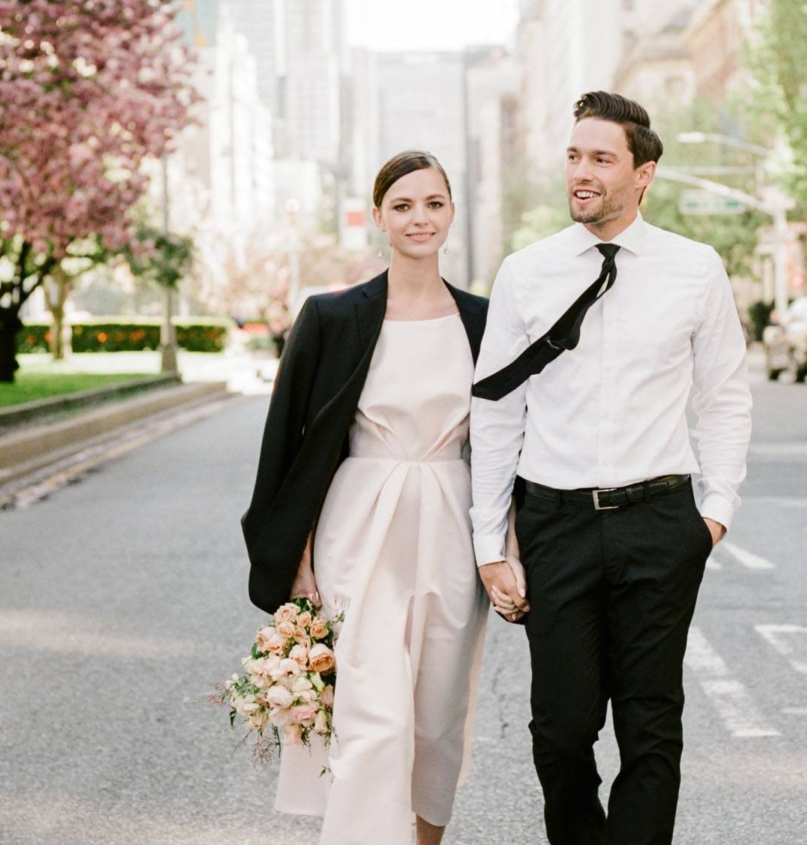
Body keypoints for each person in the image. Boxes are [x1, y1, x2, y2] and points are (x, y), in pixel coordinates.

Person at [470, 91, 753, 845]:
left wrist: (713, 514)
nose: (582, 173)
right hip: (555, 523)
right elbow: (495, 410)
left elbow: (725, 397)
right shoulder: (526, 272)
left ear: (644, 173)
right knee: (561, 732)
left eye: (601, 158)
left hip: (661, 521)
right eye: (573, 156)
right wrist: (490, 542)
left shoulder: (695, 269)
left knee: (650, 725)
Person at [242, 151, 497, 845]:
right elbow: (285, 445)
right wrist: (294, 559)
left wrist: (507, 547)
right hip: (359, 524)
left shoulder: (486, 318)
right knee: (372, 714)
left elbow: (508, 442)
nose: (420, 217)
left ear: (451, 213)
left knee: (438, 717)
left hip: (450, 518)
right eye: (404, 204)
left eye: (434, 203)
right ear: (379, 216)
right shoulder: (332, 316)